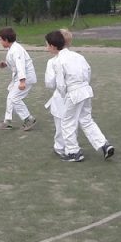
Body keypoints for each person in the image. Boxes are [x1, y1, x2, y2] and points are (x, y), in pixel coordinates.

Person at [44, 30, 114, 162]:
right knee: (86, 120)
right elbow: (88, 72)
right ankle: (104, 144)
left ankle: (73, 152)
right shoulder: (78, 56)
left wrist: (65, 95)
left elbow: (59, 84)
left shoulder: (58, 61)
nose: (46, 47)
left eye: (47, 45)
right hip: (85, 90)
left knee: (67, 122)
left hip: (72, 93)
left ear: (53, 46)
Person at [0, 27, 38, 131]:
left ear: (6, 40)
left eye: (0, 39)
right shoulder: (12, 48)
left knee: (14, 98)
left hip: (25, 77)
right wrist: (5, 64)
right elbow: (14, 62)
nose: (0, 42)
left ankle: (29, 119)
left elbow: (20, 65)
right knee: (11, 97)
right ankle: (7, 121)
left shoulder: (16, 50)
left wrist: (22, 81)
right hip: (20, 77)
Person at [44, 28, 73, 157]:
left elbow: (50, 83)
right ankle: (71, 146)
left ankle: (60, 146)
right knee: (71, 123)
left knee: (60, 123)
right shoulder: (76, 57)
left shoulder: (52, 62)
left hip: (61, 96)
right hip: (76, 96)